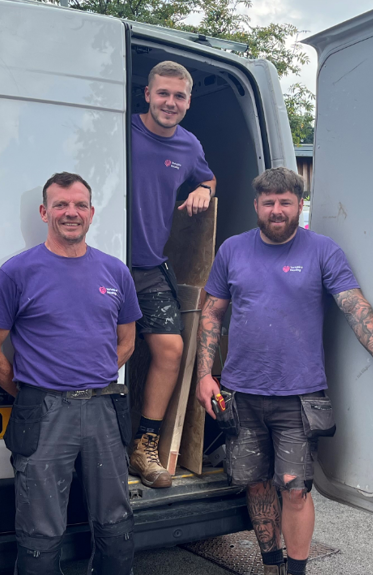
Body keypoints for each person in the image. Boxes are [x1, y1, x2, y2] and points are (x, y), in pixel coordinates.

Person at [195, 167, 373, 575]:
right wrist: (205, 375)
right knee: (257, 486)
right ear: (256, 206)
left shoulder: (322, 251)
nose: (276, 210)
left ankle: (296, 571)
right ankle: (270, 566)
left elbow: (354, 306)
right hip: (242, 393)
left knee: (295, 490)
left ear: (300, 204)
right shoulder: (232, 250)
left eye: (285, 202)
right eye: (268, 203)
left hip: (300, 396)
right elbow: (212, 313)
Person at [0, 172, 141, 575]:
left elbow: (127, 342)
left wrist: (93, 373)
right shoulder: (19, 272)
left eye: (80, 204)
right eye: (61, 205)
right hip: (44, 411)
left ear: (91, 212)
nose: (71, 213)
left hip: (103, 408)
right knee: (40, 527)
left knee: (115, 519)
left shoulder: (115, 272)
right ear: (44, 211)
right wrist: (34, 389)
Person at [129, 60, 217, 488]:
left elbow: (210, 177)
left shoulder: (188, 145)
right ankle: (94, 441)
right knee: (106, 350)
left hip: (146, 265)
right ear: (147, 94)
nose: (170, 102)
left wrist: (203, 188)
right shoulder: (121, 131)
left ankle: (144, 447)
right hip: (100, 262)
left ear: (187, 102)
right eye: (163, 93)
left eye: (179, 96)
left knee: (169, 350)